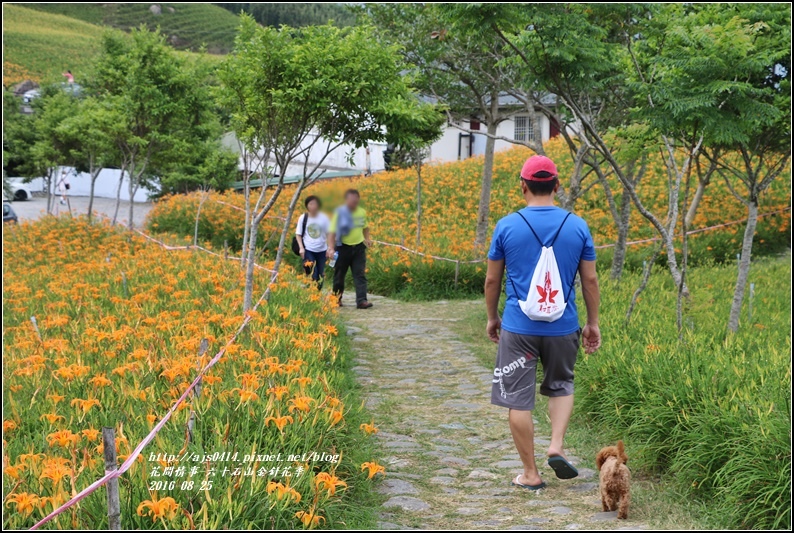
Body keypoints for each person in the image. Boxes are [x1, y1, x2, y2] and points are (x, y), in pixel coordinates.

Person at [484, 155, 601, 490]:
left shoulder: (507, 226)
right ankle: (556, 445)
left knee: (517, 399)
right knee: (561, 384)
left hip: (519, 327)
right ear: (557, 185)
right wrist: (592, 323)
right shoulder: (577, 226)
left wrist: (493, 318)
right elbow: (590, 281)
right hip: (563, 325)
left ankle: (530, 473)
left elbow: (493, 281)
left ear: (523, 186)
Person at [327, 189, 373, 309]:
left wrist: (367, 239)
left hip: (358, 247)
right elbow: (332, 232)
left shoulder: (362, 212)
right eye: (352, 202)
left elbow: (365, 227)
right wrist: (331, 248)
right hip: (342, 247)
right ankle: (336, 299)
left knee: (360, 274)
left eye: (356, 202)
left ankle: (362, 300)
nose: (354, 204)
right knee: (339, 275)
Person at [295, 195, 330, 288]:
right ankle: (311, 293)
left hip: (322, 250)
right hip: (308, 249)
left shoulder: (324, 218)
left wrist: (330, 248)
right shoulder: (303, 218)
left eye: (315, 204)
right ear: (307, 206)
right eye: (310, 204)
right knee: (313, 274)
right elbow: (298, 234)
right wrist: (301, 248)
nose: (313, 206)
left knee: (320, 275)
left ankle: (316, 295)